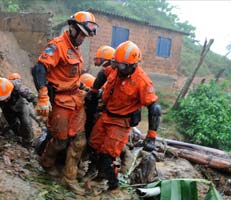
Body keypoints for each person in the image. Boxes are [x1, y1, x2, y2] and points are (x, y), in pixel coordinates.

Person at [31, 11, 98, 195]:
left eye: (86, 35)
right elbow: (39, 68)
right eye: (82, 34)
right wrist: (43, 96)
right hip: (60, 102)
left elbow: (71, 75)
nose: (83, 38)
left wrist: (83, 87)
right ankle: (46, 163)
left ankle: (69, 178)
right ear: (73, 28)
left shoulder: (76, 47)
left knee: (79, 142)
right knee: (60, 142)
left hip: (76, 100)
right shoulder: (57, 46)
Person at [88, 41, 161, 190]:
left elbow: (154, 108)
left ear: (133, 65)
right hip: (106, 115)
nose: (118, 69)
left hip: (121, 122)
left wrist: (151, 136)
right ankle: (99, 173)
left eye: (122, 66)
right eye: (117, 64)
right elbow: (103, 73)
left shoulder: (142, 82)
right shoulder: (116, 68)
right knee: (93, 145)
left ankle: (112, 184)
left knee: (107, 156)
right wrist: (94, 92)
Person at [0, 77, 37, 147]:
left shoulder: (17, 87)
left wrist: (39, 106)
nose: (5, 100)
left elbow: (32, 96)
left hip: (20, 105)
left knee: (26, 122)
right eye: (3, 99)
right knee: (13, 124)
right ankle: (18, 136)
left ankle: (28, 142)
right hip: (6, 108)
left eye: (7, 97)